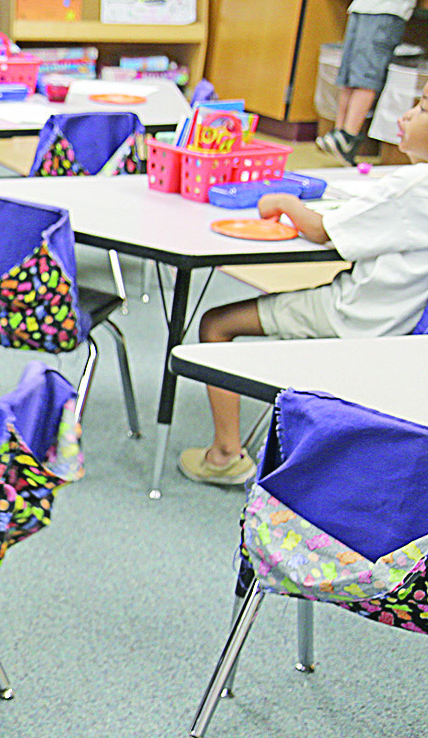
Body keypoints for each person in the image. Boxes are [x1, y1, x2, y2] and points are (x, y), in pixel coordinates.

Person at [181, 81, 428, 485]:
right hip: (403, 325)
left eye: (421, 109)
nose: (405, 116)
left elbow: (319, 229)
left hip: (354, 317)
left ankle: (225, 454)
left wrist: (282, 202)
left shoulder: (414, 187)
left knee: (215, 323)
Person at [316, 0, 415, 165]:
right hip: (379, 9)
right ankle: (345, 136)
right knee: (362, 75)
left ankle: (342, 134)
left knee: (354, 74)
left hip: (368, 8)